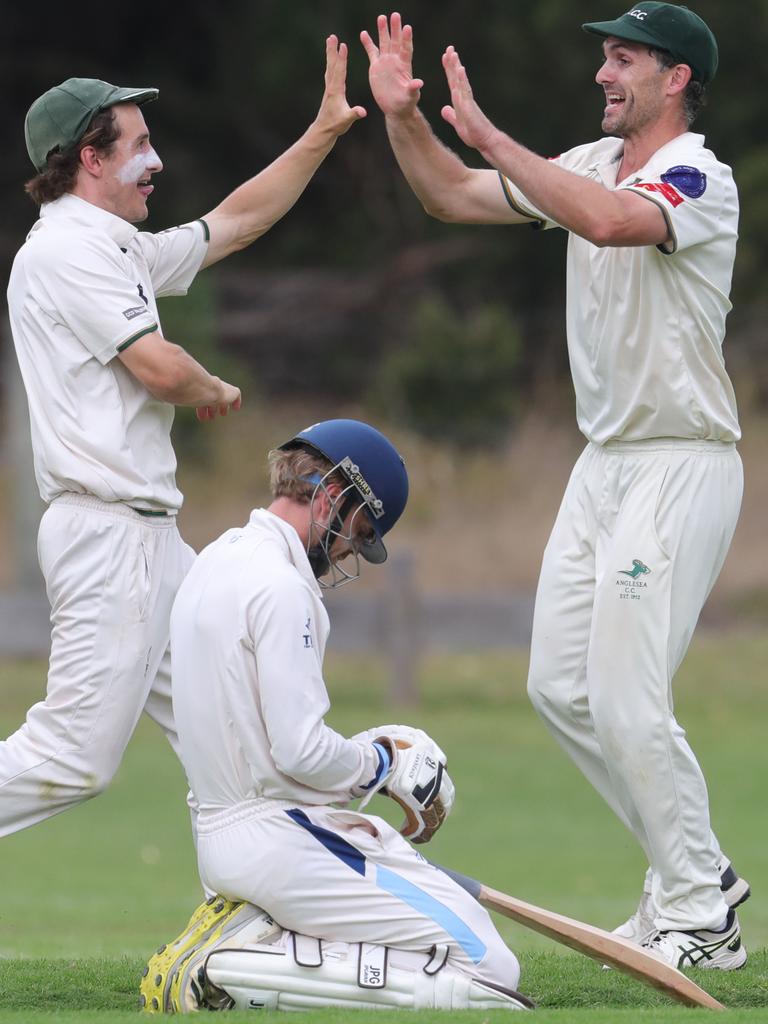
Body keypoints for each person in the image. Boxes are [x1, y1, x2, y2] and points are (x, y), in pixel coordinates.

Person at [361, 4, 749, 971]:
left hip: (680, 459)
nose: (603, 74)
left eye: (625, 60)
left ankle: (702, 914)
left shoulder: (701, 175)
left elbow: (616, 222)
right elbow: (451, 195)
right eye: (605, 58)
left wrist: (492, 132)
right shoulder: (581, 162)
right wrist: (406, 118)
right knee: (559, 688)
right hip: (603, 464)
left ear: (678, 79)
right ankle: (692, 879)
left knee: (626, 699)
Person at [1, 38, 367, 839]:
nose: (155, 161)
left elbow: (233, 223)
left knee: (233, 724)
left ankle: (284, 896)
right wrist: (216, 389)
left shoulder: (115, 245)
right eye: (138, 145)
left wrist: (322, 133)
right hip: (108, 535)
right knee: (71, 758)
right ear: (89, 160)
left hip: (150, 541)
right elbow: (160, 370)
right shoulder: (66, 250)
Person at [139, 419, 532, 1014]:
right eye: (359, 529)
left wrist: (367, 769)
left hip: (224, 831)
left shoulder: (215, 559)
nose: (350, 549)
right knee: (489, 966)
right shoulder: (282, 587)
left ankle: (263, 937)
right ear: (332, 494)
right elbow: (299, 751)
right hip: (279, 837)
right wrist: (382, 762)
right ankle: (232, 960)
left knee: (452, 926)